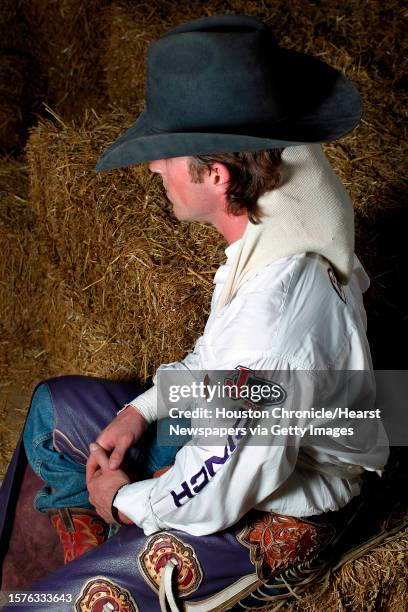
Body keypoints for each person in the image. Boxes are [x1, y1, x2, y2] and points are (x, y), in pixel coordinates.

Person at [0, 14, 389, 611]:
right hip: (248, 426)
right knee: (52, 411)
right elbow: (215, 362)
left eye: (166, 156)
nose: (154, 168)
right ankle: (101, 542)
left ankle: (102, 550)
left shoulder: (271, 328)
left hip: (280, 496)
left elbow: (213, 491)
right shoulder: (274, 213)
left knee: (38, 607)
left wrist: (126, 501)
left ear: (216, 175)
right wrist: (141, 409)